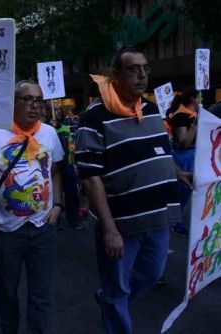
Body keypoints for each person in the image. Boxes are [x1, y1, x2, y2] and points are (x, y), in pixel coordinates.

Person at [74, 47, 188, 334]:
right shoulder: (94, 118)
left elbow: (159, 152)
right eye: (133, 69)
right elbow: (90, 177)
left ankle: (111, 299)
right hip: (121, 224)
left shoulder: (150, 110)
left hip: (159, 218)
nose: (141, 75)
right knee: (118, 289)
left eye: (145, 68)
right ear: (115, 76)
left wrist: (178, 172)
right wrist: (109, 228)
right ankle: (114, 304)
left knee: (150, 276)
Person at [0, 80, 64, 333]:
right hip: (6, 232)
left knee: (40, 295)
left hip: (43, 228)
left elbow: (55, 172)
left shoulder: (49, 133)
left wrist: (57, 205)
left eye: (39, 100)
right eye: (28, 99)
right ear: (13, 103)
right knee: (8, 291)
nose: (35, 105)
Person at [165, 88, 199, 237]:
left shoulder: (194, 114)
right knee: (182, 190)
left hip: (194, 155)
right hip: (183, 156)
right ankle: (174, 222)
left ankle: (175, 220)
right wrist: (195, 124)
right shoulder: (180, 117)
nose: (200, 101)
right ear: (192, 99)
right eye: (199, 98)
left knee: (189, 190)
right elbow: (184, 142)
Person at [50, 104, 84, 230]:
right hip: (53, 166)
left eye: (59, 110)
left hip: (67, 164)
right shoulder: (46, 128)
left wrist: (74, 164)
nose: (57, 112)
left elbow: (71, 147)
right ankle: (55, 219)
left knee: (72, 193)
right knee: (54, 193)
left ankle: (73, 219)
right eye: (54, 110)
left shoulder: (66, 126)